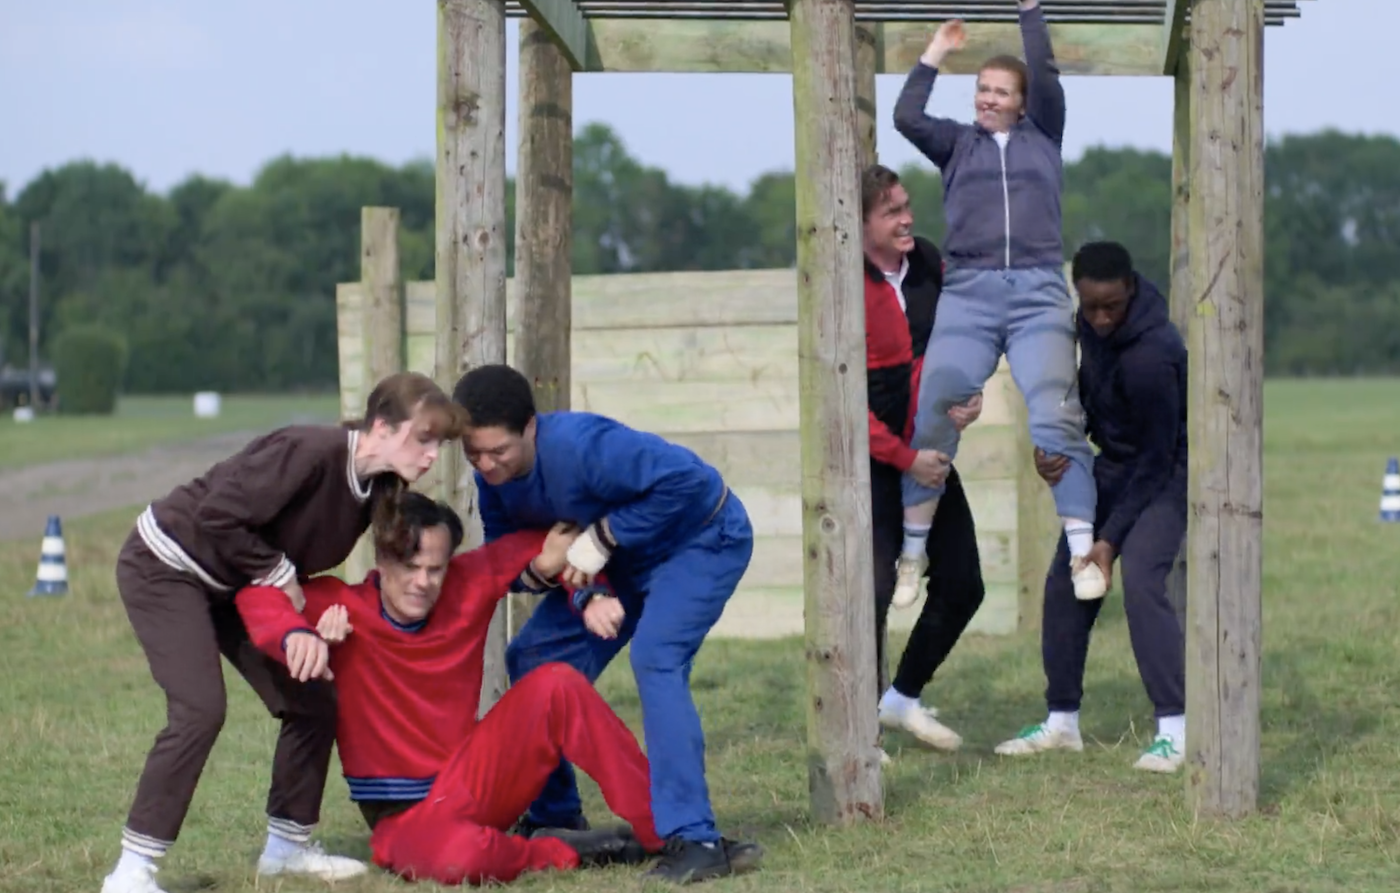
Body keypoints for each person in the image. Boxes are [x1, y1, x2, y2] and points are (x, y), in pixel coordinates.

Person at [101, 372, 461, 893]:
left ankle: (288, 848)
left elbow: (311, 569)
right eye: (423, 437)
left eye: (439, 443)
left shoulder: (379, 490)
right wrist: (277, 574)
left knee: (313, 696)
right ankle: (132, 872)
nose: (431, 454)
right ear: (382, 427)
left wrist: (320, 621)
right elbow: (217, 515)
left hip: (233, 585)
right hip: (166, 563)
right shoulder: (309, 450)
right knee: (200, 709)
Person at [234, 491, 666, 885]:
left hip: (471, 780)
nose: (423, 582)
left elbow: (554, 547)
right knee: (451, 859)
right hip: (402, 816)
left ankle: (668, 829)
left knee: (557, 684)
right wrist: (297, 634)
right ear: (382, 562)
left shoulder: (467, 582)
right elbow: (257, 597)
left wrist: (586, 597)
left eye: (434, 568)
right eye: (409, 566)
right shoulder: (340, 609)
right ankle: (561, 849)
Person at [452, 364, 761, 885]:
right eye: (473, 454)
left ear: (530, 427)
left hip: (703, 538)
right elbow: (523, 561)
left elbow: (691, 483)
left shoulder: (584, 446)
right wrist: (575, 584)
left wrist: (604, 536)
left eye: (498, 451)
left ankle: (698, 840)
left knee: (656, 658)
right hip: (619, 565)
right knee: (531, 659)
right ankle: (557, 818)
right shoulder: (494, 481)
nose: (486, 465)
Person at [890, 0, 1104, 612]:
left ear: (1022, 99)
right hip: (971, 292)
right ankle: (912, 553)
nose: (987, 99)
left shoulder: (1045, 134)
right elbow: (906, 115)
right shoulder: (958, 145)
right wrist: (936, 53)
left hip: (1038, 292)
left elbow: (1045, 69)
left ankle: (1082, 551)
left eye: (1000, 91)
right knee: (934, 407)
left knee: (1056, 414)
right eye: (981, 89)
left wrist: (1030, 11)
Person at [993, 241, 1188, 773]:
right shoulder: (1089, 325)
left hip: (1167, 471)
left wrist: (1110, 540)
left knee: (1144, 582)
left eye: (1112, 307)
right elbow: (1087, 396)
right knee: (1065, 582)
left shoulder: (1154, 353)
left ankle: (1177, 729)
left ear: (1130, 290)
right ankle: (1062, 723)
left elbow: (1156, 456)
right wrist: (1055, 444)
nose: (1101, 319)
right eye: (1091, 307)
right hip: (1114, 464)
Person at [859, 162, 988, 755]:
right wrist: (903, 457)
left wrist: (969, 394)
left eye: (907, 205)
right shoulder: (842, 284)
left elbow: (961, 340)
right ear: (858, 224)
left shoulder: (929, 262)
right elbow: (842, 401)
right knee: (873, 591)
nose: (907, 217)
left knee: (963, 584)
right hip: (875, 460)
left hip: (930, 450)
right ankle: (856, 730)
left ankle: (901, 700)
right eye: (891, 211)